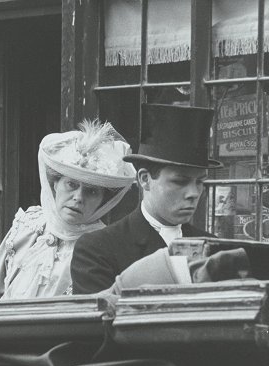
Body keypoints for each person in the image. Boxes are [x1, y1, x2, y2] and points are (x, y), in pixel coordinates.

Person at [71, 103, 223, 294]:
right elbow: (97, 321)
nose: (193, 193)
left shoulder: (213, 246)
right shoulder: (98, 249)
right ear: (145, 179)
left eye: (200, 182)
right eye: (180, 181)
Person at [0, 120, 136, 299]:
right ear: (55, 184)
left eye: (91, 191)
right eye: (71, 184)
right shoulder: (28, 227)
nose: (78, 197)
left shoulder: (104, 246)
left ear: (103, 201)